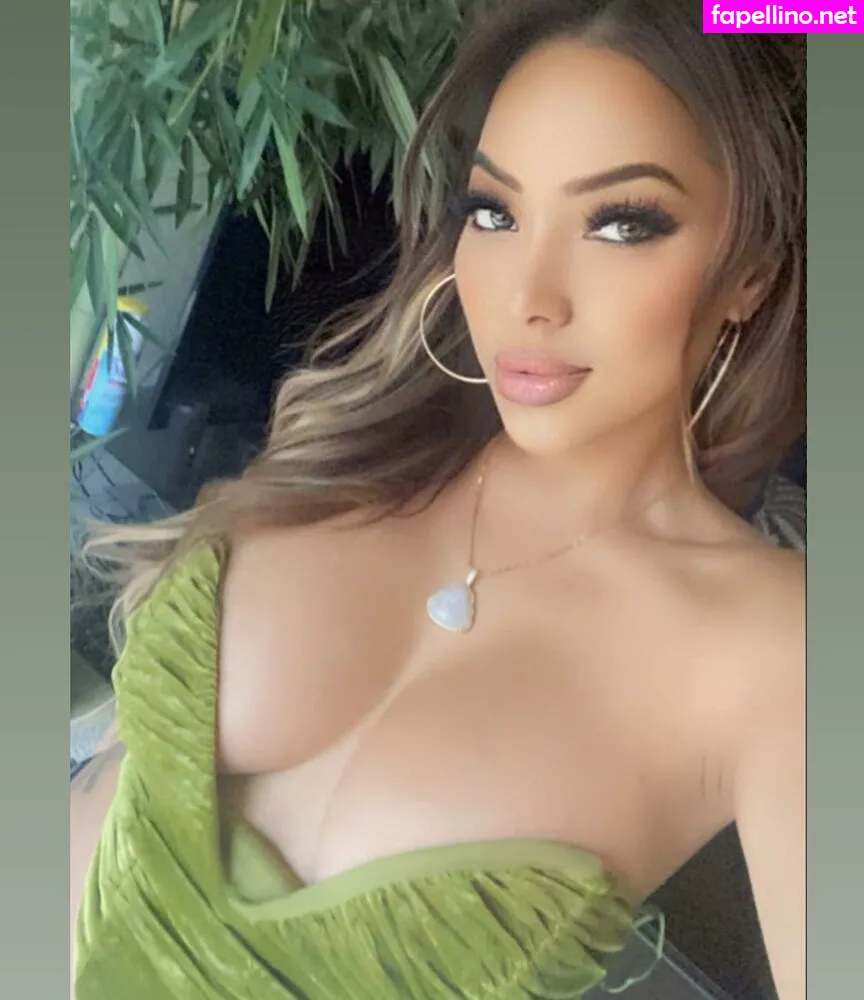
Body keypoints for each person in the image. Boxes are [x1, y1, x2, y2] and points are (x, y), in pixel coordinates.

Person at [71, 1, 805, 998]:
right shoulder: (354, 447)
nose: (528, 295)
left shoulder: (775, 644)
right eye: (495, 212)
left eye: (621, 223)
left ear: (750, 274)